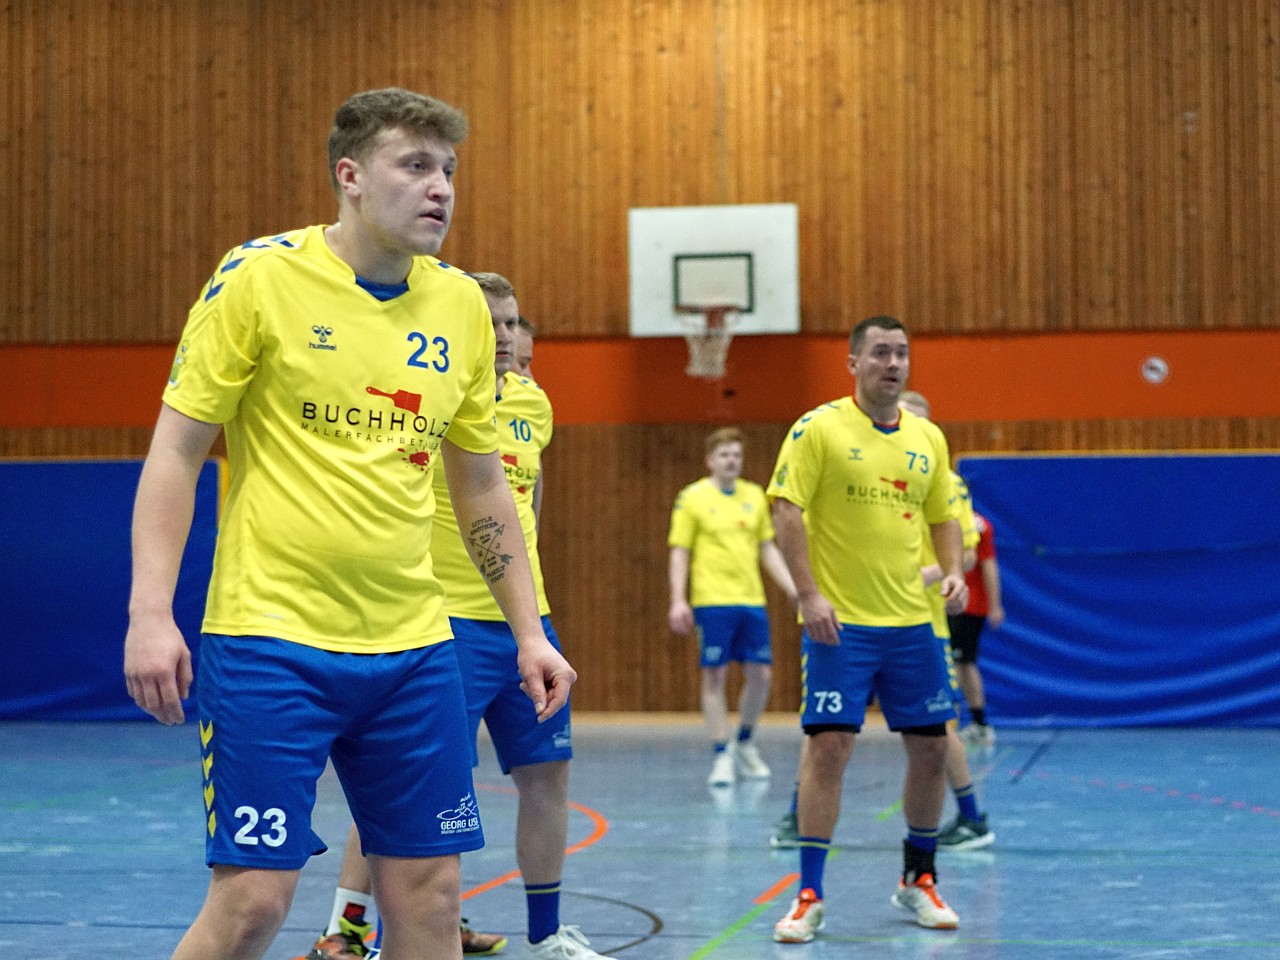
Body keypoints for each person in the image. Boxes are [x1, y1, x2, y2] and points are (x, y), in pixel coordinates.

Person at [122, 88, 573, 960]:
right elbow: (176, 452)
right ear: (351, 177)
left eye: (449, 170)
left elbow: (484, 485)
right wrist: (149, 612)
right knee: (254, 901)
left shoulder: (459, 310)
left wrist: (528, 630)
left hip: (414, 649)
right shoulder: (258, 277)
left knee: (432, 899)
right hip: (269, 639)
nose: (440, 187)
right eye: (416, 166)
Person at [307, 273, 613, 960]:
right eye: (491, 322)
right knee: (407, 780)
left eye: (511, 325)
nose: (503, 337)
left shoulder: (533, 403)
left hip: (524, 626)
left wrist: (531, 611)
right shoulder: (427, 394)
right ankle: (348, 927)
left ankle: (546, 933)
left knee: (547, 773)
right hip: (442, 623)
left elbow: (523, 510)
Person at [767, 316, 969, 944]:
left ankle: (919, 879)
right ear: (852, 362)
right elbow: (785, 509)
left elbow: (944, 517)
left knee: (932, 748)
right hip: (841, 626)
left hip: (912, 623)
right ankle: (809, 893)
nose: (893, 363)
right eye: (880, 352)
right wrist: (809, 594)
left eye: (902, 353)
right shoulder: (818, 428)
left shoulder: (927, 438)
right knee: (829, 748)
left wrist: (956, 573)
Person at [668, 427, 798, 786]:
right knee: (715, 675)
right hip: (712, 601)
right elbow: (680, 550)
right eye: (725, 455)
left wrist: (793, 589)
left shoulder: (755, 496)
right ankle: (721, 753)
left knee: (762, 675)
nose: (732, 461)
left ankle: (744, 740)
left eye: (737, 455)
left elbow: (767, 548)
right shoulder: (692, 498)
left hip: (751, 599)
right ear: (711, 460)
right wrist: (678, 598)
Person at [897, 391, 995, 852]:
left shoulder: (948, 483)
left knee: (939, 727)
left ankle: (972, 817)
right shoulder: (882, 473)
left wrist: (923, 576)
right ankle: (801, 815)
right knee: (832, 728)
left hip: (924, 618)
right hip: (875, 615)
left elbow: (969, 551)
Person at [949, 506, 1005, 748]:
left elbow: (988, 564)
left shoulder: (977, 525)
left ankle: (980, 723)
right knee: (961, 663)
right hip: (952, 604)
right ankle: (974, 721)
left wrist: (995, 605)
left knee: (964, 662)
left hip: (967, 606)